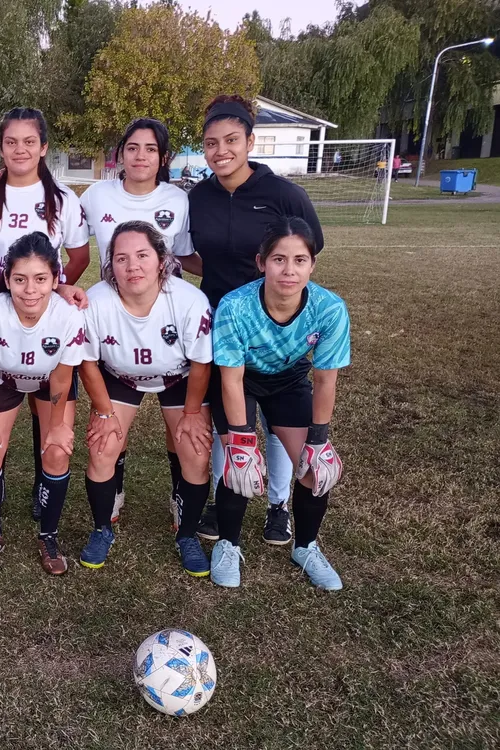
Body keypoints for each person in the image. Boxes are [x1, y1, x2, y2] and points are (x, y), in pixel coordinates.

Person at [186, 94, 324, 548]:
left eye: (230, 140)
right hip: (221, 324)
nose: (221, 150)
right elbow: (193, 253)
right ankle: (231, 489)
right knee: (232, 421)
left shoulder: (284, 194)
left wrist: (270, 293)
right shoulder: (199, 196)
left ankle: (279, 506)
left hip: (276, 325)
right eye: (210, 143)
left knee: (280, 420)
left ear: (249, 141)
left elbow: (306, 250)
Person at [0, 107, 90, 521]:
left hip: (42, 311)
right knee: (5, 379)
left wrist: (55, 285)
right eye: (11, 141)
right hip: (1, 312)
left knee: (46, 402)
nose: (20, 149)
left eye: (29, 141)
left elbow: (80, 255)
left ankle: (42, 486)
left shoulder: (63, 199)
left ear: (43, 147)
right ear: (1, 147)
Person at [209, 217, 349, 591]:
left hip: (288, 380)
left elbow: (324, 378)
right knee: (239, 465)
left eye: (300, 260)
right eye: (279, 259)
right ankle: (227, 544)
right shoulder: (235, 306)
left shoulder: (329, 309)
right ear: (261, 263)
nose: (289, 270)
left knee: (313, 468)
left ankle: (305, 547)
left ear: (312, 264)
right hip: (241, 380)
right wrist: (240, 438)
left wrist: (319, 440)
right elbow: (231, 379)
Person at [77, 221, 214, 574]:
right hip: (120, 376)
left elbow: (201, 363)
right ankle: (102, 528)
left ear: (161, 261)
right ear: (110, 265)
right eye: (121, 258)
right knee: (101, 447)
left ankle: (186, 535)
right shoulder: (96, 301)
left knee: (195, 451)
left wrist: (193, 411)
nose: (132, 266)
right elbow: (88, 362)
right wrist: (105, 412)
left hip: (179, 377)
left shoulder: (188, 301)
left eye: (142, 255)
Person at [79, 117, 195, 524]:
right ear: (120, 154)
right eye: (132, 147)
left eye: (150, 149)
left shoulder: (177, 199)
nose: (140, 156)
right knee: (111, 422)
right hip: (118, 316)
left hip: (168, 321)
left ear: (163, 157)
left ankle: (181, 493)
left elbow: (184, 253)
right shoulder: (95, 196)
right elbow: (63, 237)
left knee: (181, 426)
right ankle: (116, 486)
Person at [0, 232, 87, 575]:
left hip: (50, 381)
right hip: (5, 378)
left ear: (55, 279)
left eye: (40, 279)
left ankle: (48, 536)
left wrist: (59, 425)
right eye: (20, 279)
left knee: (57, 451)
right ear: (7, 279)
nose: (30, 289)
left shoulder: (68, 316)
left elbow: (63, 377)